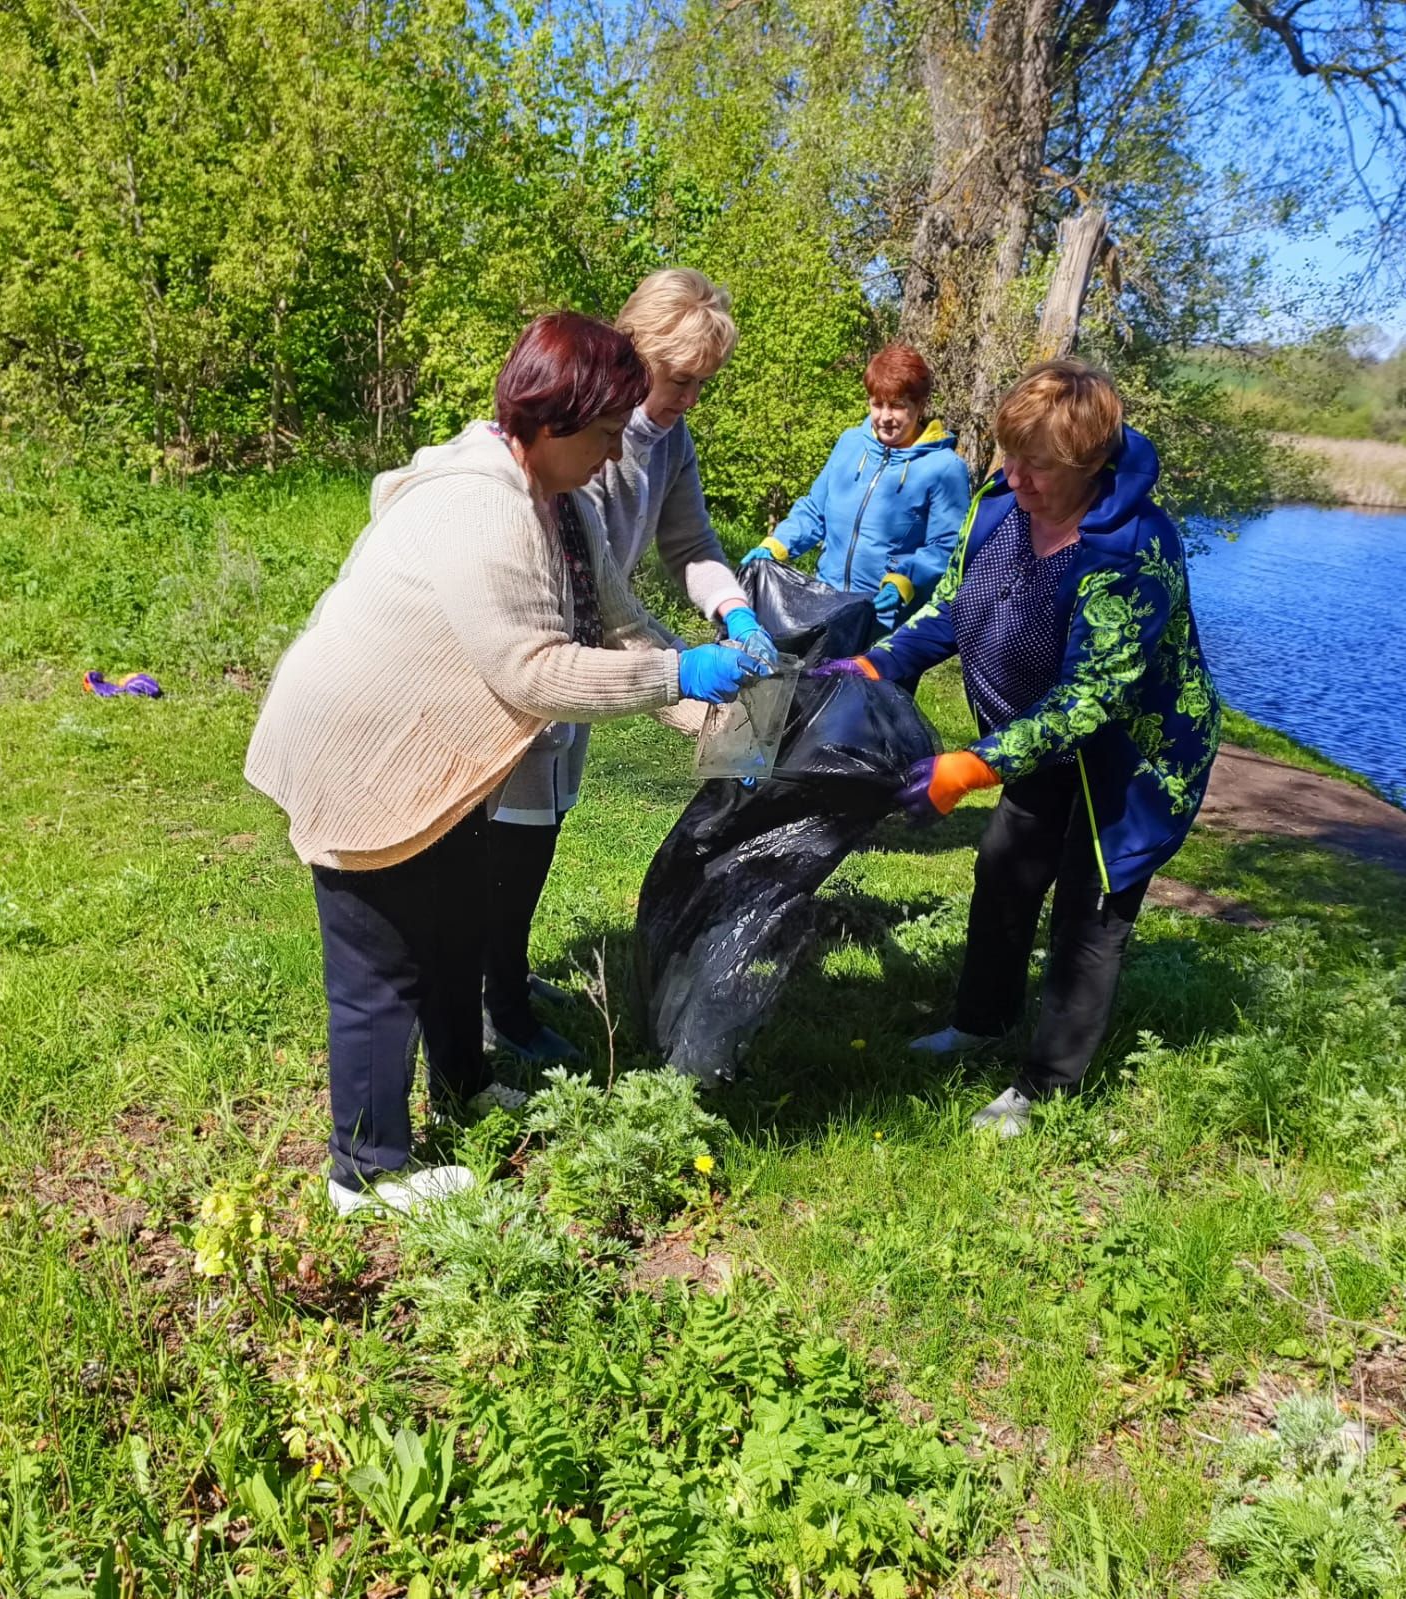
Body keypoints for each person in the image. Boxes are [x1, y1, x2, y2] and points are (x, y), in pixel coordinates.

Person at [245, 312, 765, 1215]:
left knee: (454, 930)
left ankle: (463, 1082)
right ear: (557, 421)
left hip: (436, 755)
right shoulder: (481, 505)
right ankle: (363, 1172)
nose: (614, 457)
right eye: (606, 435)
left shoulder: (557, 503)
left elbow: (615, 623)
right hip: (362, 751)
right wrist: (677, 673)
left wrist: (720, 720)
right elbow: (533, 671)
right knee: (382, 966)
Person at [815, 359, 1220, 1136]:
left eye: (1037, 464)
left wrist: (971, 766)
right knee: (1004, 869)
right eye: (1010, 454)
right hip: (1033, 745)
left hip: (1128, 763)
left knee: (1088, 911)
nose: (1015, 476)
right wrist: (880, 661)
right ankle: (980, 1020)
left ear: (1090, 463)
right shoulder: (999, 506)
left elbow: (1091, 699)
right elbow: (956, 604)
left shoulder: (1129, 547)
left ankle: (1045, 1087)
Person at [484, 269, 778, 1062]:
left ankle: (500, 971)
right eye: (679, 378)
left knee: (545, 818)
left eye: (702, 384)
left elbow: (690, 546)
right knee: (510, 827)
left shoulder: (670, 441)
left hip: (599, 643)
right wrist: (674, 677)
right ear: (635, 351)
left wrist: (732, 609)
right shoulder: (578, 427)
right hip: (546, 646)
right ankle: (495, 1005)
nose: (688, 398)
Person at [741, 342, 972, 627]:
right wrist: (777, 544)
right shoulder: (850, 443)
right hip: (826, 604)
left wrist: (904, 581)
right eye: (877, 404)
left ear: (920, 405)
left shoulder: (945, 468)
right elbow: (815, 510)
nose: (885, 417)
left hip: (885, 620)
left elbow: (946, 546)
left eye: (898, 406)